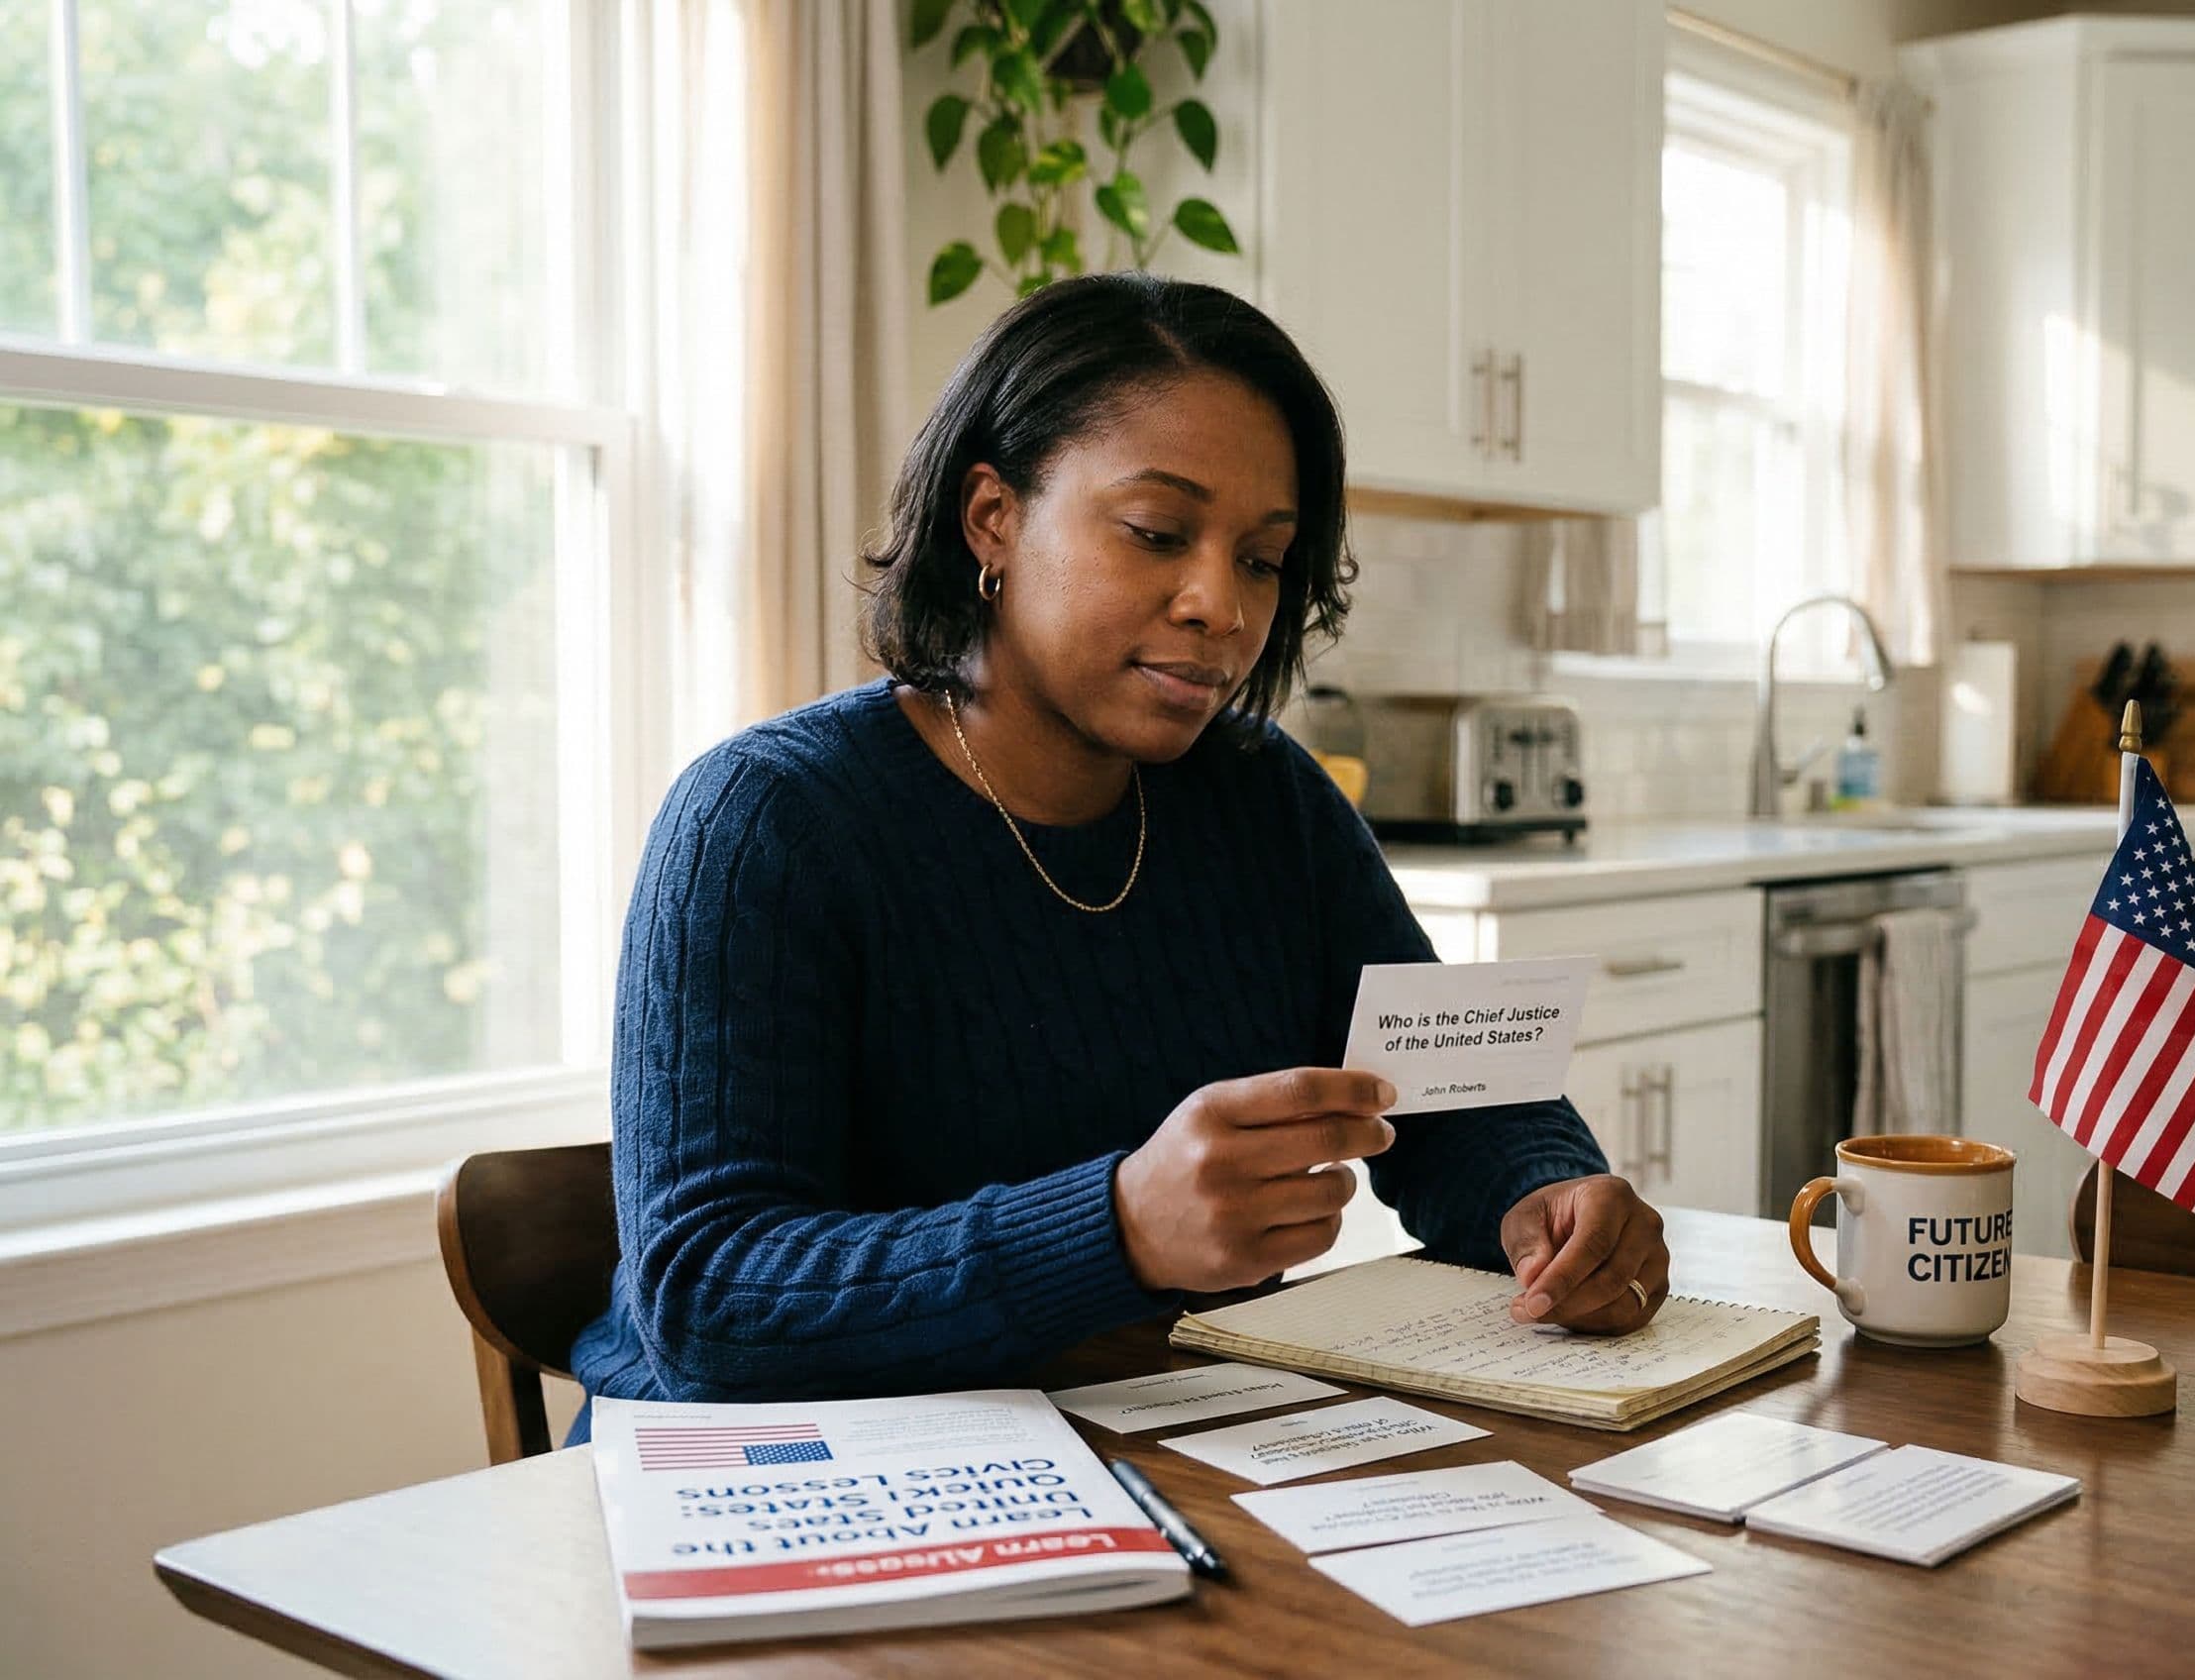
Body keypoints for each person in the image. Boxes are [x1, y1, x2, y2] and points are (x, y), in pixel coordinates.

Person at [566, 273, 1668, 1443]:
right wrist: (1117, 1229)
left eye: (1260, 557)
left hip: (1162, 1444)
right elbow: (706, 1294)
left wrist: (1544, 1194)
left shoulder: (1265, 801)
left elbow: (1445, 1095)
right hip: (782, 1490)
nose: (1220, 605)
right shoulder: (764, 819)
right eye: (1155, 533)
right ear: (991, 517)